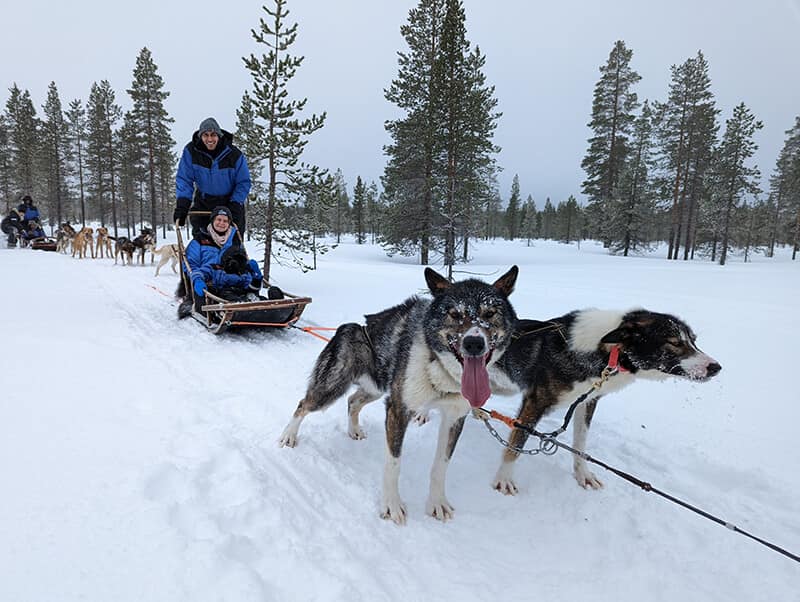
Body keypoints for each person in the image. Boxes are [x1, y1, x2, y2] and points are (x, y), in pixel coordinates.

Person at [177, 206, 263, 318]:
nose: (222, 223)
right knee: (222, 296)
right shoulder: (199, 241)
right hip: (208, 282)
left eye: (225, 221)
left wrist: (253, 275)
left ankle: (262, 304)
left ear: (229, 223)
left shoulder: (234, 241)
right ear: (212, 220)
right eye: (219, 219)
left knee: (247, 289)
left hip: (233, 282)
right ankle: (230, 309)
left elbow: (241, 264)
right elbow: (190, 265)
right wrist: (197, 279)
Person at [173, 117, 251, 236]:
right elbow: (184, 179)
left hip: (229, 203)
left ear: (219, 136)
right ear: (200, 136)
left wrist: (235, 203)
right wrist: (183, 204)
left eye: (213, 135)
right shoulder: (191, 152)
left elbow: (243, 182)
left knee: (232, 244)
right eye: (205, 135)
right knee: (202, 242)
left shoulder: (234, 154)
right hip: (204, 202)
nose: (210, 139)